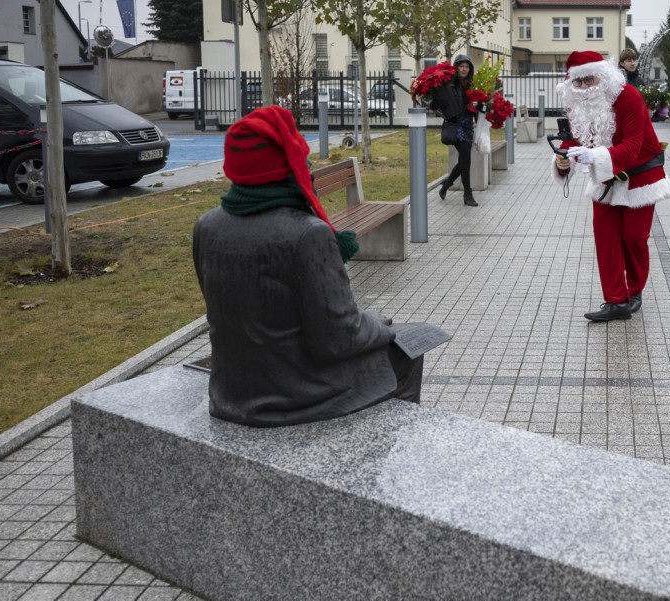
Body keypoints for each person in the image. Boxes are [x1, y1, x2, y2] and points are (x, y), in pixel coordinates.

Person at [192, 105, 422, 427]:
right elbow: (339, 339)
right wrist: (380, 324)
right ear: (289, 163)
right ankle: (385, 452)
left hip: (229, 392)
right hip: (291, 396)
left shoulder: (206, 226)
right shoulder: (306, 234)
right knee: (407, 349)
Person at [552, 51, 670, 322]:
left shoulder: (628, 96)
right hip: (605, 178)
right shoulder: (577, 106)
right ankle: (616, 301)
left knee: (633, 238)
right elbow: (575, 140)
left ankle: (635, 291)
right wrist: (563, 160)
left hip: (642, 175)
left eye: (589, 80)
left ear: (603, 76)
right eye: (578, 82)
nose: (584, 88)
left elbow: (631, 147)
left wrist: (593, 156)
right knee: (605, 238)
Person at [434, 55, 479, 207]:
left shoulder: (472, 84)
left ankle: (447, 184)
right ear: (456, 68)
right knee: (466, 157)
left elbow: (477, 105)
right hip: (456, 125)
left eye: (467, 66)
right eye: (462, 66)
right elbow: (437, 102)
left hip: (468, 125)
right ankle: (468, 193)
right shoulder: (449, 84)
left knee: (464, 160)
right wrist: (437, 103)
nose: (464, 69)